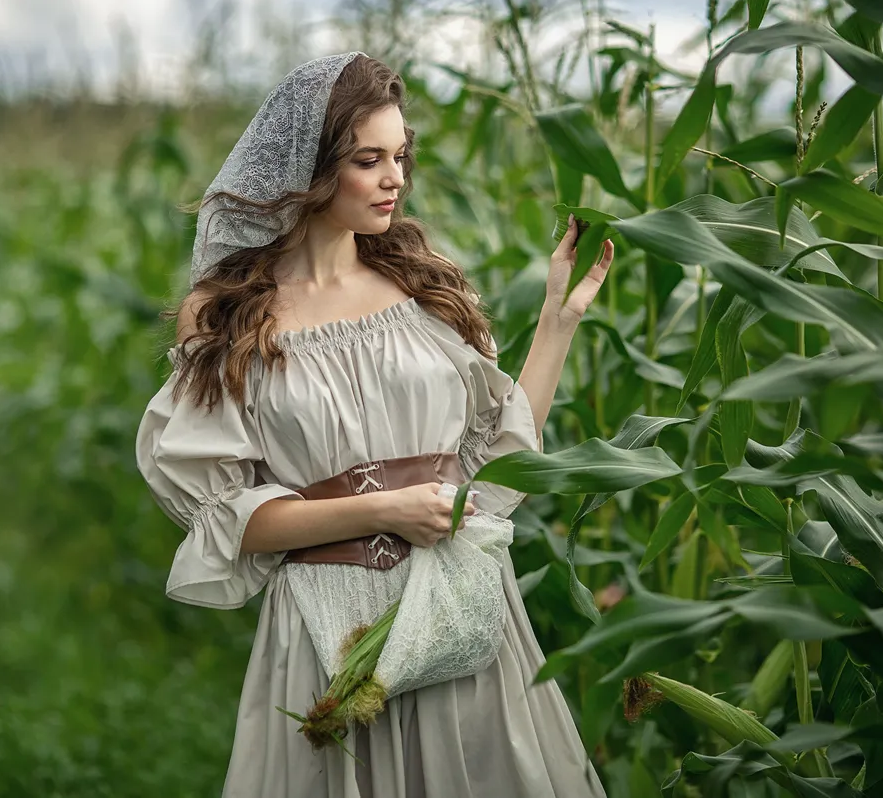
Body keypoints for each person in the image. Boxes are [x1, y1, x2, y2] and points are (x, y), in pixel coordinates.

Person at [134, 51, 614, 798]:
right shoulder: (228, 314)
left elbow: (495, 463)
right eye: (369, 160)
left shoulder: (422, 289)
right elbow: (227, 519)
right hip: (327, 631)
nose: (395, 178)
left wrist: (559, 319)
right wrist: (385, 509)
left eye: (400, 156)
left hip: (453, 610)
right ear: (313, 169)